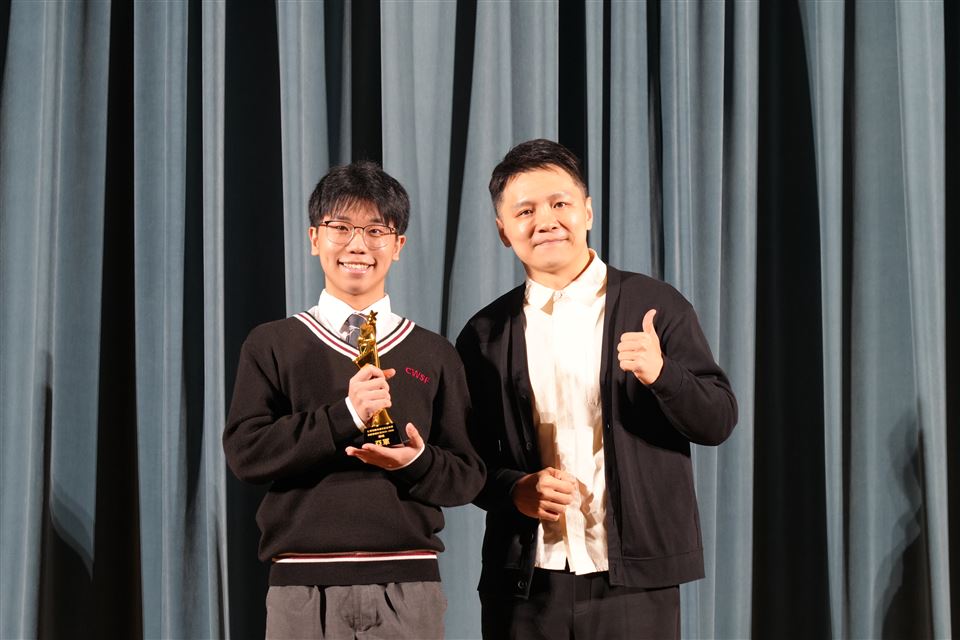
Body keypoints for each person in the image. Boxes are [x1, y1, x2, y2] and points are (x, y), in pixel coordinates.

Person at [456, 139, 738, 639]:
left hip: (634, 582)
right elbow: (465, 460)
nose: (545, 221)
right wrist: (513, 489)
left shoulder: (656, 305)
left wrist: (662, 375)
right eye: (525, 211)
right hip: (525, 583)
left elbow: (717, 420)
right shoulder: (484, 333)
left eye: (559, 203)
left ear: (586, 211)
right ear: (503, 230)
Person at [224, 161, 485, 639]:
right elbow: (247, 452)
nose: (357, 245)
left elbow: (468, 476)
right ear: (314, 238)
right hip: (302, 585)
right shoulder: (272, 343)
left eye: (376, 230)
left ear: (398, 245)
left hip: (409, 583)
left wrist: (416, 462)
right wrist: (345, 415)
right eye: (340, 228)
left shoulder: (433, 353)